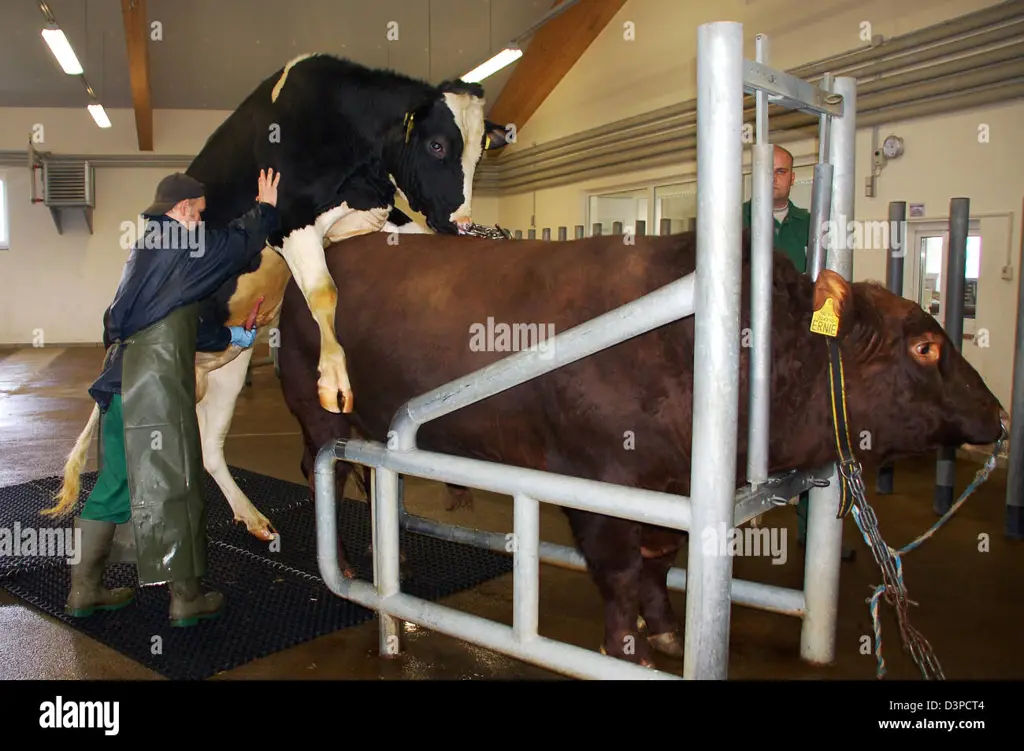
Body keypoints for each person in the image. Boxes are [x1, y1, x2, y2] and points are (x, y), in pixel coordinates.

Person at [61, 168, 282, 626]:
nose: (201, 223)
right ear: (181, 210)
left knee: (112, 486)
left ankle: (83, 591)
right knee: (176, 487)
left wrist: (232, 336)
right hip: (156, 390)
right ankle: (186, 600)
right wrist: (265, 209)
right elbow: (237, 246)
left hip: (119, 385)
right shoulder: (183, 244)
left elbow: (165, 319)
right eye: (199, 215)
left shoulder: (145, 251)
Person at [741, 145, 854, 561]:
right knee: (738, 431)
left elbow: (829, 285)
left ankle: (814, 530)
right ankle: (726, 526)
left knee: (814, 434)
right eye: (767, 171)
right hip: (744, 348)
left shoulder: (814, 225)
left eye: (782, 171)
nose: (775, 178)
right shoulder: (732, 221)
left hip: (799, 351)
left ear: (793, 177)